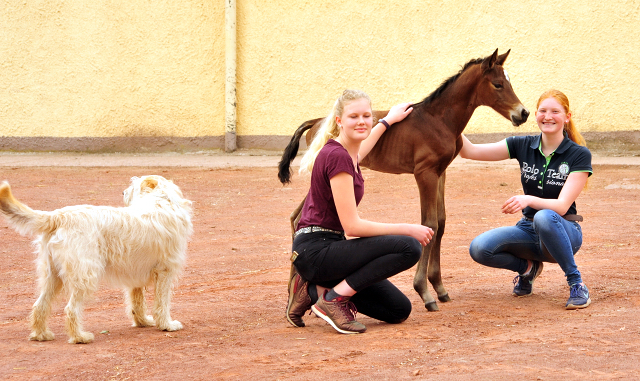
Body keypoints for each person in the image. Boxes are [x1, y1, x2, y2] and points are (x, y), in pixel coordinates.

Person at [285, 89, 434, 334]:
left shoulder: (347, 154)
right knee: (409, 247)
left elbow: (364, 146)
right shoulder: (337, 157)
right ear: (339, 121)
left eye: (367, 115)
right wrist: (408, 228)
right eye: (354, 116)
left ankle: (313, 289)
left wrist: (388, 121)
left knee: (398, 310)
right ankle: (332, 299)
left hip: (330, 250)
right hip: (315, 250)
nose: (362, 121)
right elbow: (352, 227)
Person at [458, 89, 592, 309]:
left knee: (545, 217)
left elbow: (561, 206)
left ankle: (576, 283)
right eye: (543, 111)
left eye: (555, 111)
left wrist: (528, 199)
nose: (548, 116)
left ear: (567, 117)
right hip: (528, 231)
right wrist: (451, 118)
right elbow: (469, 151)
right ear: (536, 114)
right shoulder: (522, 145)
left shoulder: (579, 154)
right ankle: (528, 269)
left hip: (564, 230)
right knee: (480, 248)